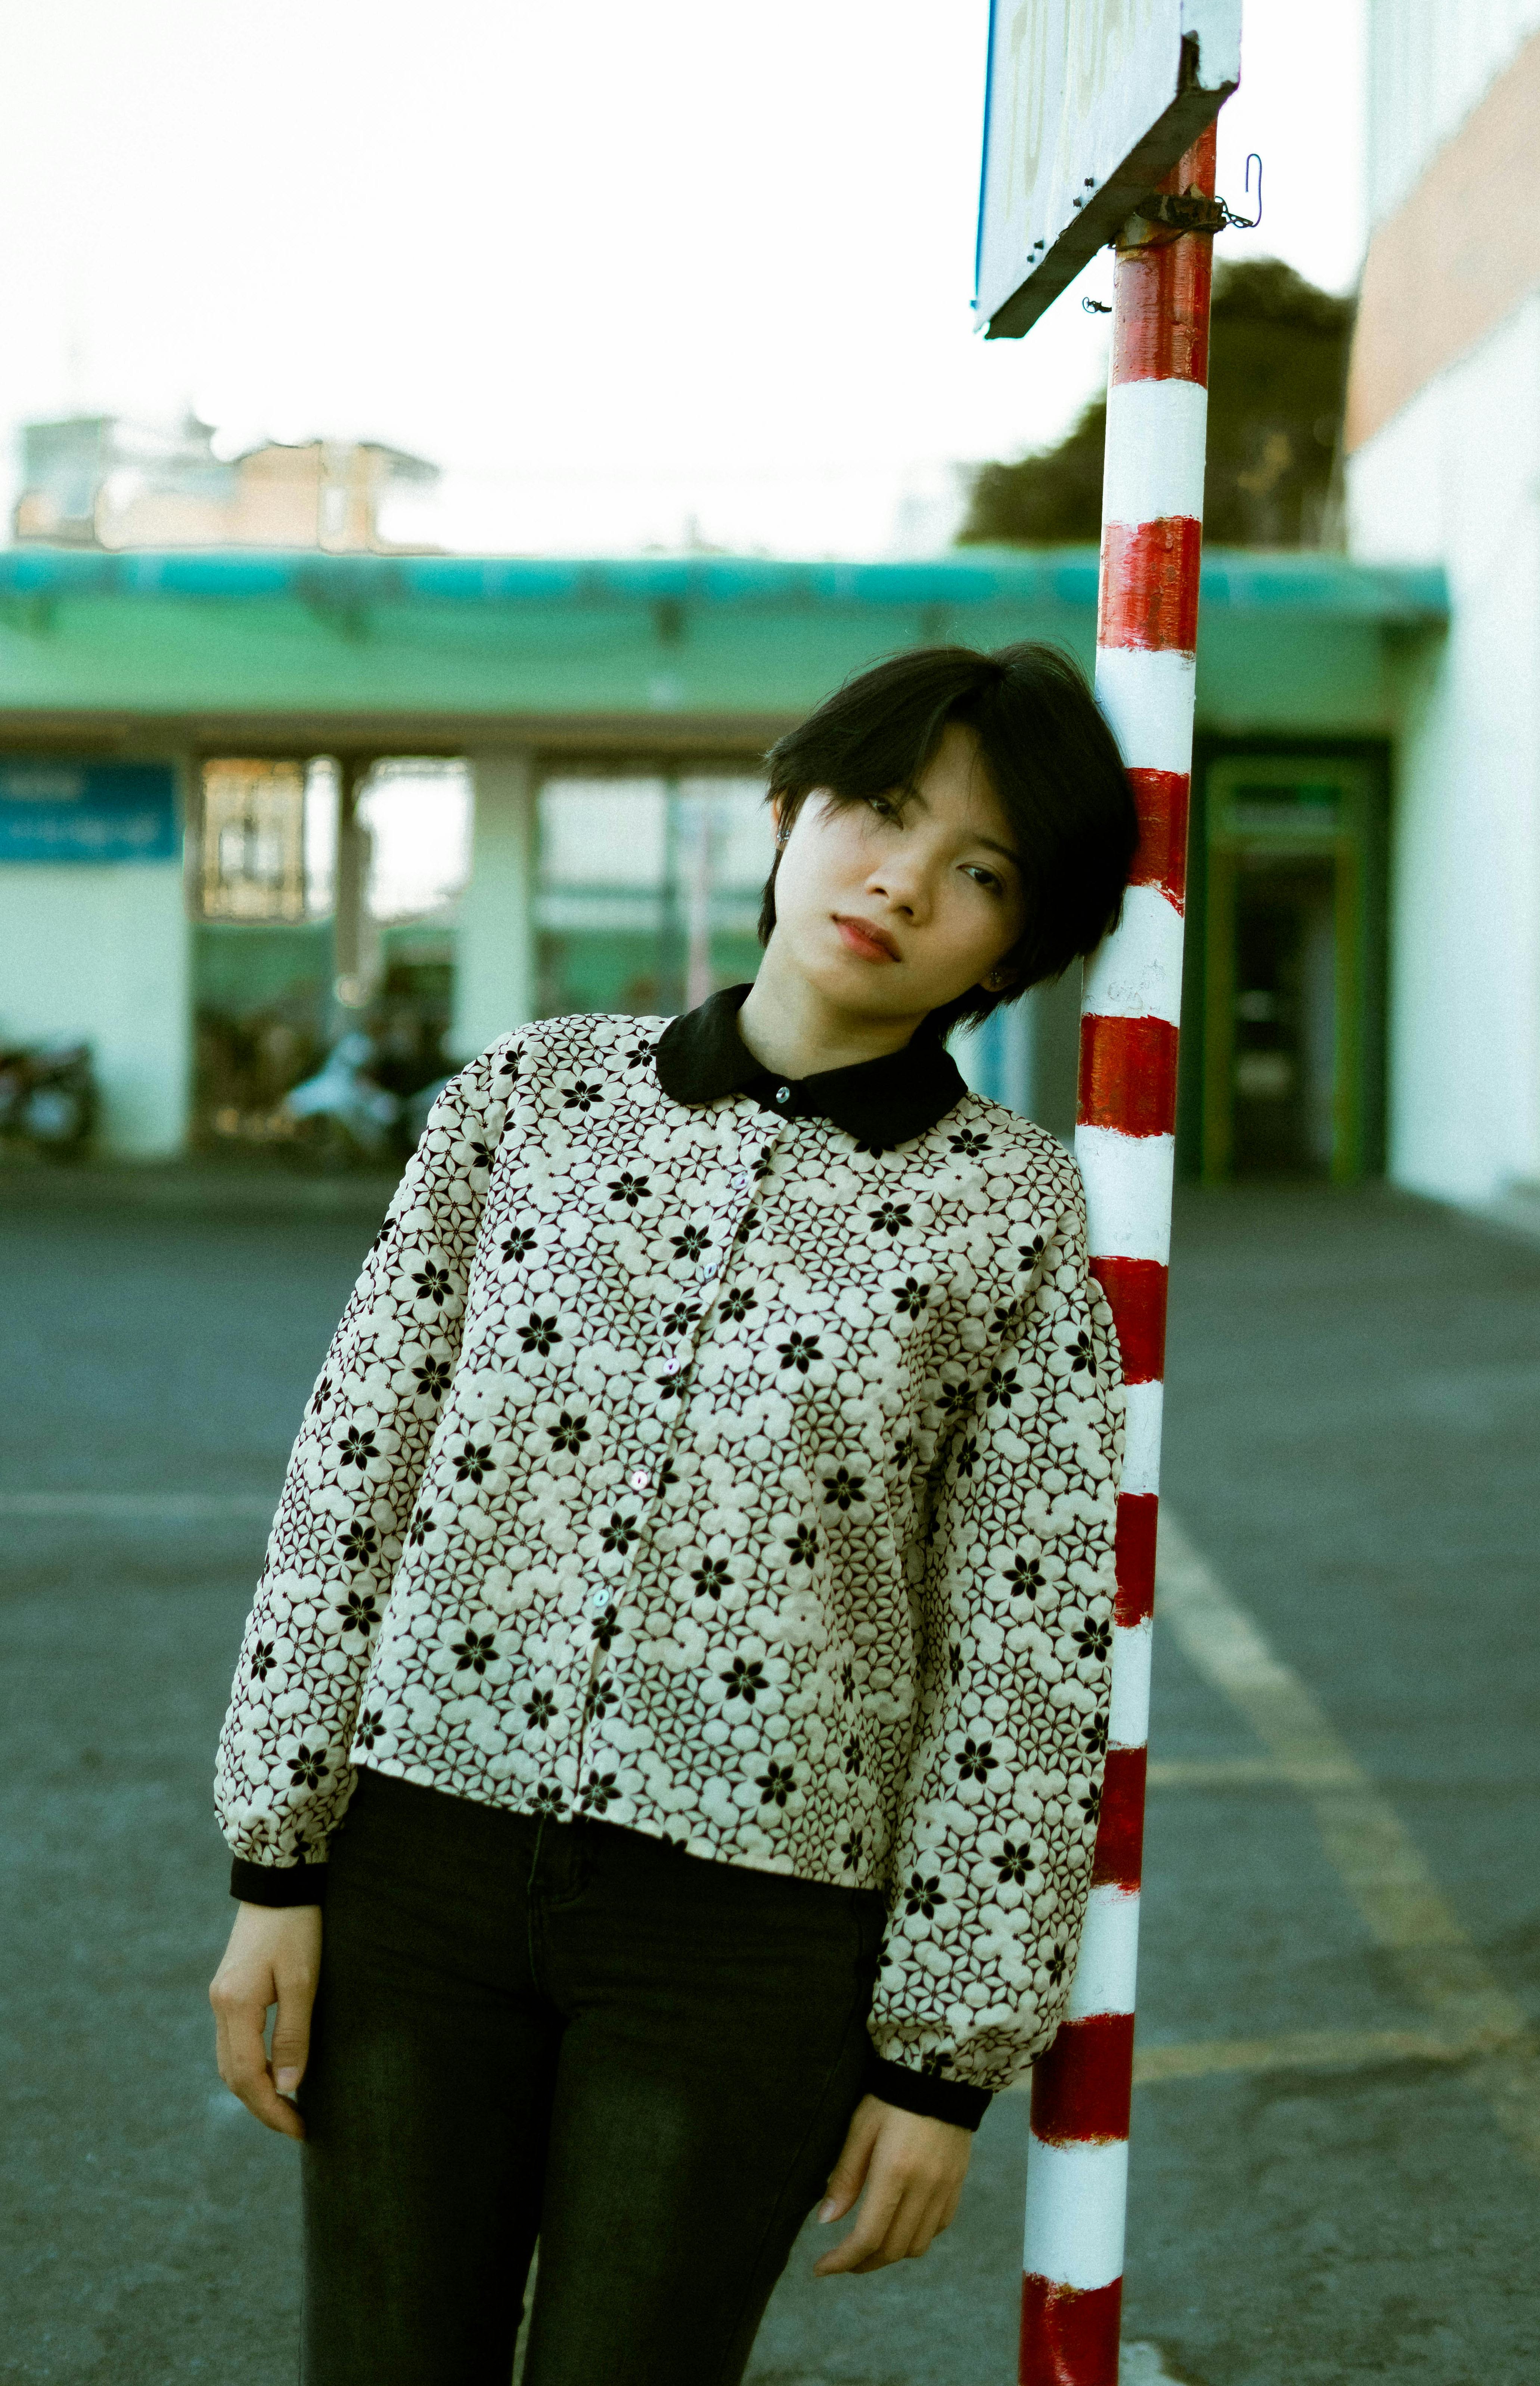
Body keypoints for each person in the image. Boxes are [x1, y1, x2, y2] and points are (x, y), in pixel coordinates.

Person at [209, 639, 1137, 2386]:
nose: (901, 883)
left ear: (1017, 947)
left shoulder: (1011, 1217)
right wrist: (278, 1857)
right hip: (421, 1874)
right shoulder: (529, 1099)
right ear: (786, 808)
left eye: (981, 872)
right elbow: (353, 1467)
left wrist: (941, 2063)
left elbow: (1023, 1654)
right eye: (878, 812)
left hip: (747, 1943)